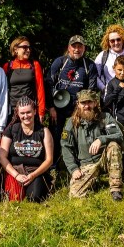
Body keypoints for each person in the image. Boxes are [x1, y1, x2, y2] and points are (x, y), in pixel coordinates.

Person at [47, 35, 99, 184]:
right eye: (74, 46)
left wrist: (84, 106)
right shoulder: (60, 62)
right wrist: (51, 107)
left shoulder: (89, 65)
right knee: (55, 136)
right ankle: (53, 167)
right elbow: (49, 83)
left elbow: (92, 89)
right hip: (58, 107)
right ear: (69, 47)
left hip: (78, 108)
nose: (77, 49)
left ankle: (80, 166)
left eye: (80, 46)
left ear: (84, 48)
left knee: (79, 137)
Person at [61, 90, 124, 201]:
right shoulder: (72, 122)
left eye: (89, 102)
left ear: (95, 103)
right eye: (83, 103)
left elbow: (119, 135)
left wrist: (101, 139)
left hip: (104, 160)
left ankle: (116, 190)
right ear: (78, 104)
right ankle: (94, 183)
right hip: (87, 164)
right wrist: (73, 169)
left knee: (113, 145)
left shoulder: (105, 117)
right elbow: (65, 147)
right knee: (75, 195)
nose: (86, 106)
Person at [0, 97, 54, 202]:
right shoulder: (11, 129)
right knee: (14, 198)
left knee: (35, 197)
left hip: (36, 172)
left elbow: (49, 160)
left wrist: (33, 175)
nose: (25, 116)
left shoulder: (44, 131)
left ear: (35, 111)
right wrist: (16, 175)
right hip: (15, 171)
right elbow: (2, 157)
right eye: (22, 113)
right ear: (18, 114)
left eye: (28, 112)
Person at [3, 36, 47, 119]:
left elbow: (40, 89)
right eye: (25, 47)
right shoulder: (7, 66)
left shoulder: (34, 65)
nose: (28, 50)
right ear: (15, 49)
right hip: (12, 111)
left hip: (29, 110)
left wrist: (41, 111)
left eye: (29, 48)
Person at [93, 24, 124, 90]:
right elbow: (95, 76)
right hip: (110, 94)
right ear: (108, 42)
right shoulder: (102, 56)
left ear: (123, 39)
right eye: (112, 41)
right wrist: (104, 89)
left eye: (118, 39)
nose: (116, 43)